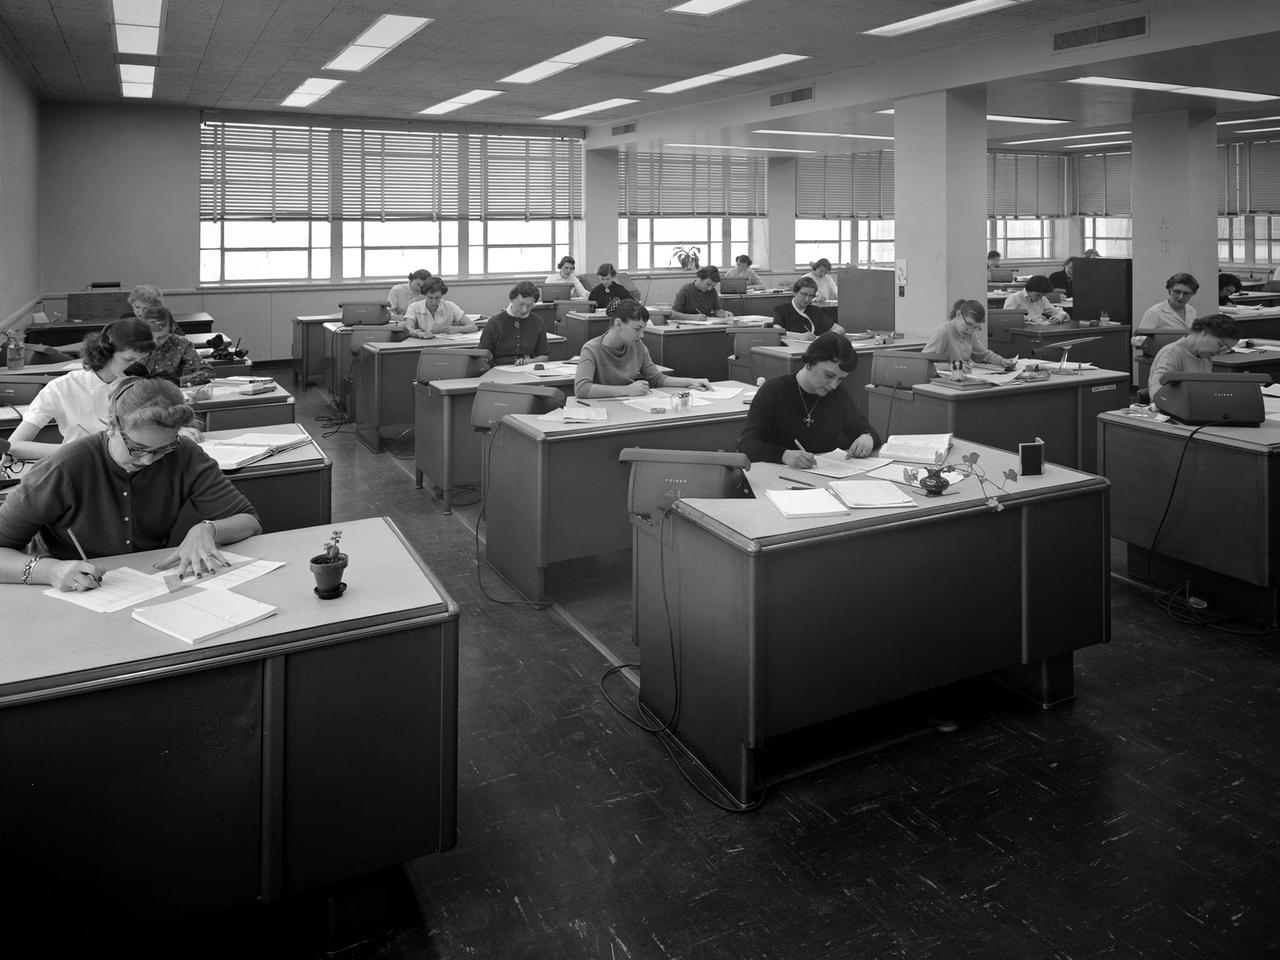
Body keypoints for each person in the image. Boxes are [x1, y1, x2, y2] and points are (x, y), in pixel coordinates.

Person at [0, 376, 262, 590]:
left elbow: (248, 521)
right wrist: (50, 570)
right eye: (137, 448)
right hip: (71, 590)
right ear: (112, 426)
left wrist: (209, 529)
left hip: (147, 585)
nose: (148, 460)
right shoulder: (63, 467)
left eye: (163, 449)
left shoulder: (184, 453)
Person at [5, 317, 155, 461]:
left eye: (142, 359)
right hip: (77, 465)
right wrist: (79, 450)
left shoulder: (141, 386)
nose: (137, 365)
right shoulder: (62, 387)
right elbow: (14, 445)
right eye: (129, 359)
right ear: (106, 351)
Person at [738, 332, 878, 466]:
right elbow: (747, 445)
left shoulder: (837, 394)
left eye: (840, 379)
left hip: (822, 478)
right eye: (829, 375)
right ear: (810, 363)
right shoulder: (774, 390)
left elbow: (867, 431)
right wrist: (783, 455)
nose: (833, 385)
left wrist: (867, 438)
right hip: (778, 478)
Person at [574, 300, 711, 399]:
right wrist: (626, 390)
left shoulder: (637, 346)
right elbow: (582, 389)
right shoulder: (591, 349)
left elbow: (656, 379)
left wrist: (690, 381)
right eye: (637, 329)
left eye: (643, 329)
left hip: (629, 406)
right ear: (618, 324)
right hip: (602, 410)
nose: (641, 335)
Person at [1148, 314, 1239, 396]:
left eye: (1226, 350)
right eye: (1220, 345)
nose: (1221, 353)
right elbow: (1156, 394)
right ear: (1205, 332)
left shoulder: (1205, 357)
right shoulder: (1172, 354)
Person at [923, 300, 1016, 372]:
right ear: (958, 314)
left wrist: (1002, 361)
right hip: (943, 382)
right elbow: (925, 362)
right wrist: (952, 366)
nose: (970, 330)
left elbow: (984, 355)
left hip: (963, 379)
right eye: (969, 324)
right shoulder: (943, 331)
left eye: (976, 327)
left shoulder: (970, 333)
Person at [479, 280, 548, 366]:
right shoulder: (495, 322)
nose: (524, 310)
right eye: (521, 304)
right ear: (512, 299)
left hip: (528, 367)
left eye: (529, 306)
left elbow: (544, 356)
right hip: (499, 368)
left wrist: (529, 362)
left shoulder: (536, 320)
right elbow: (482, 355)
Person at [141, 306, 213, 386]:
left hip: (170, 394)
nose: (155, 342)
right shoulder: (131, 343)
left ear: (171, 330)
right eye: (150, 337)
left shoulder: (180, 343)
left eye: (162, 337)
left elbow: (207, 372)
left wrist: (178, 381)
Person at [1134, 273, 1199, 354]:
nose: (1181, 297)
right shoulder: (1154, 312)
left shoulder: (1191, 311)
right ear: (1169, 291)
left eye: (1186, 293)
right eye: (1177, 291)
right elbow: (1137, 341)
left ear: (1193, 294)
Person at [771, 277, 844, 339]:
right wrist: (800, 336)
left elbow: (840, 329)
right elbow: (777, 331)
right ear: (795, 292)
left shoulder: (815, 311)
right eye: (804, 294)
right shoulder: (781, 310)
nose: (807, 299)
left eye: (811, 296)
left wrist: (825, 338)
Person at [403, 278, 477, 338]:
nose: (434, 302)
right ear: (425, 295)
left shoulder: (450, 306)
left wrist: (458, 329)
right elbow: (408, 329)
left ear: (442, 296)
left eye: (437, 298)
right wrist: (419, 334)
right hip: (422, 344)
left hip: (445, 344)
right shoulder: (414, 307)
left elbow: (473, 326)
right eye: (430, 298)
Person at [1004, 275, 1068, 323]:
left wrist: (1060, 316)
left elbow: (1056, 311)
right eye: (1038, 295)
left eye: (1043, 296)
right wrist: (1029, 318)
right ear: (1029, 290)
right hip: (1020, 330)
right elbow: (1007, 317)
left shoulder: (1042, 299)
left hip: (1037, 329)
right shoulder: (1015, 298)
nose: (1039, 298)